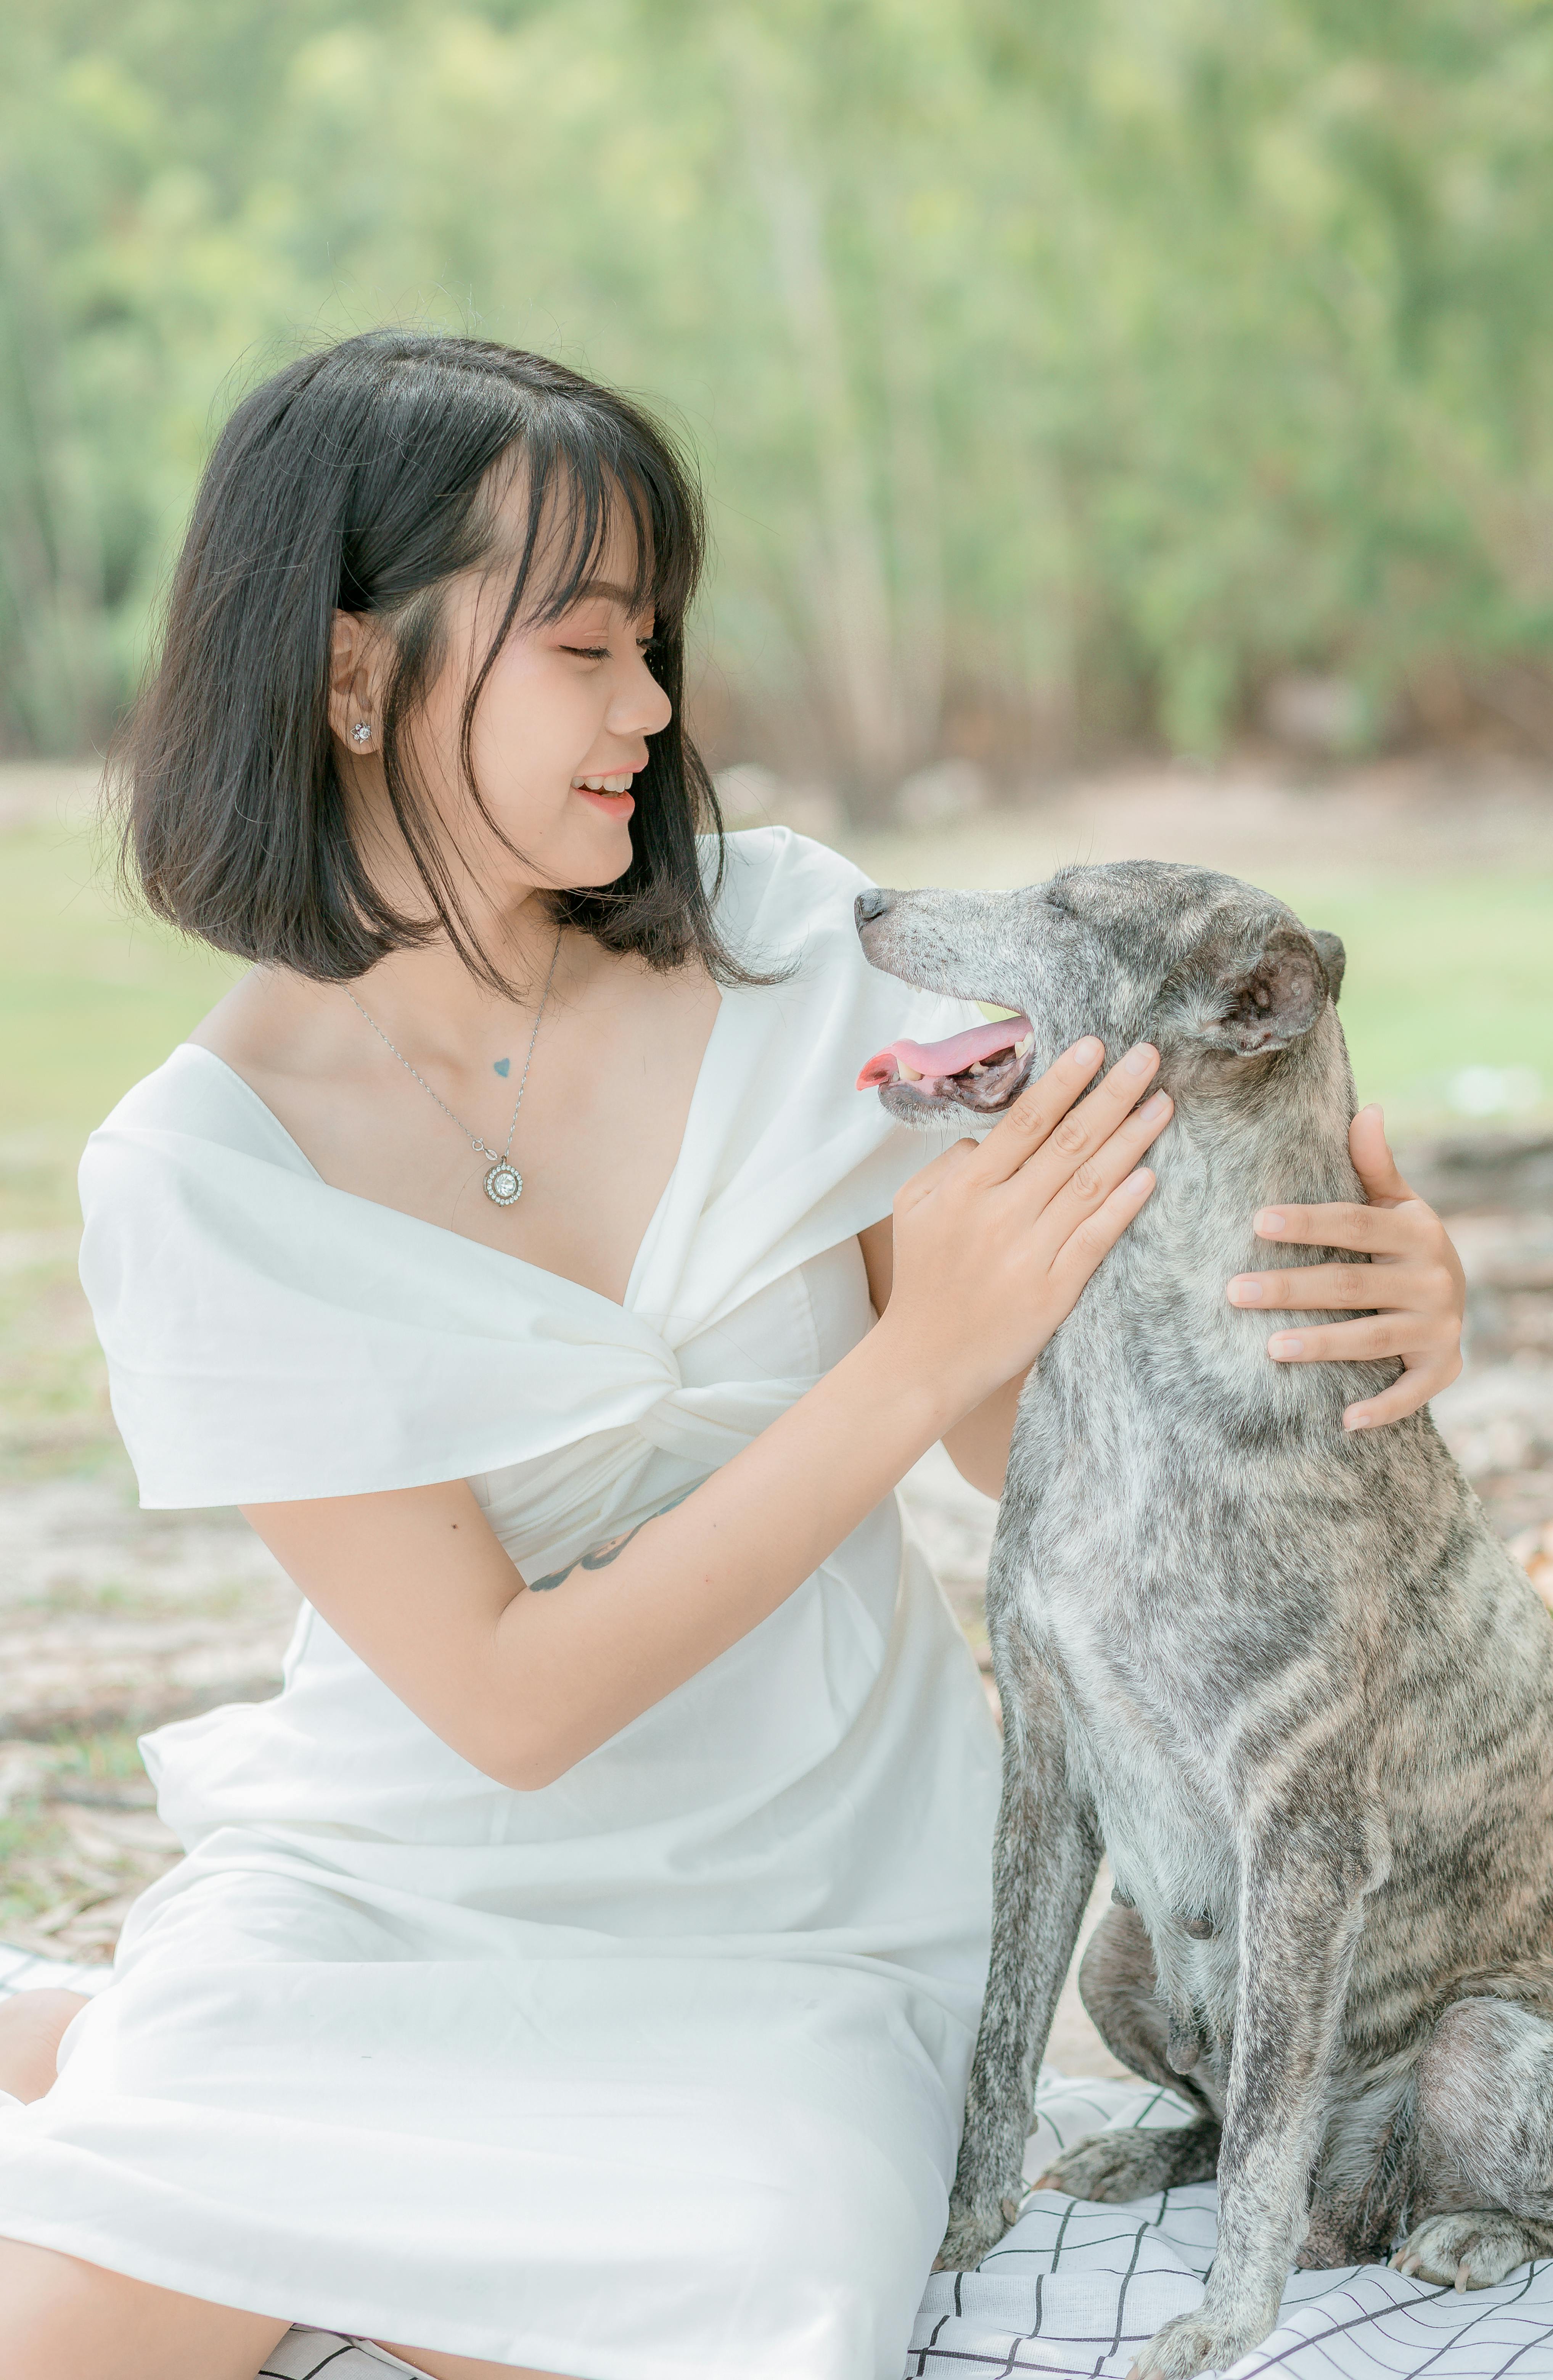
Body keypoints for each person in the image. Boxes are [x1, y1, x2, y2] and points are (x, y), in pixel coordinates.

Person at [0, 333, 1465, 2380]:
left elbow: (1000, 1431)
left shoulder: (796, 949)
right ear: (348, 673)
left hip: (804, 1925)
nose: (654, 708)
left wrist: (1362, 1315)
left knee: (721, 2306)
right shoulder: (198, 1174)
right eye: (585, 648)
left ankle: (100, 2026)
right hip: (395, 1885)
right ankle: (131, 2020)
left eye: (656, 643)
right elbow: (507, 1706)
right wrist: (905, 1359)